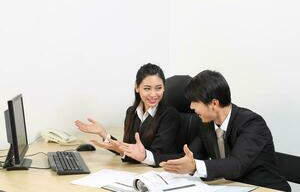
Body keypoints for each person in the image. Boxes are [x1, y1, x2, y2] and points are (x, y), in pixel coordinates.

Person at [160, 70, 291, 191]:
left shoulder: (252, 124)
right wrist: (147, 156)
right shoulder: (206, 124)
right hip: (232, 187)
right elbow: (190, 157)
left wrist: (195, 166)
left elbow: (236, 165)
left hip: (265, 188)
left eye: (194, 101)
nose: (191, 107)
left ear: (214, 104)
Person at [75, 63, 180, 166]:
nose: (153, 94)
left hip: (157, 173)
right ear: (137, 87)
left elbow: (156, 155)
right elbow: (127, 149)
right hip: (135, 171)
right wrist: (103, 133)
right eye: (147, 88)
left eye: (158, 88)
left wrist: (122, 151)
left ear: (164, 88)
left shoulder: (169, 115)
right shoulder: (131, 112)